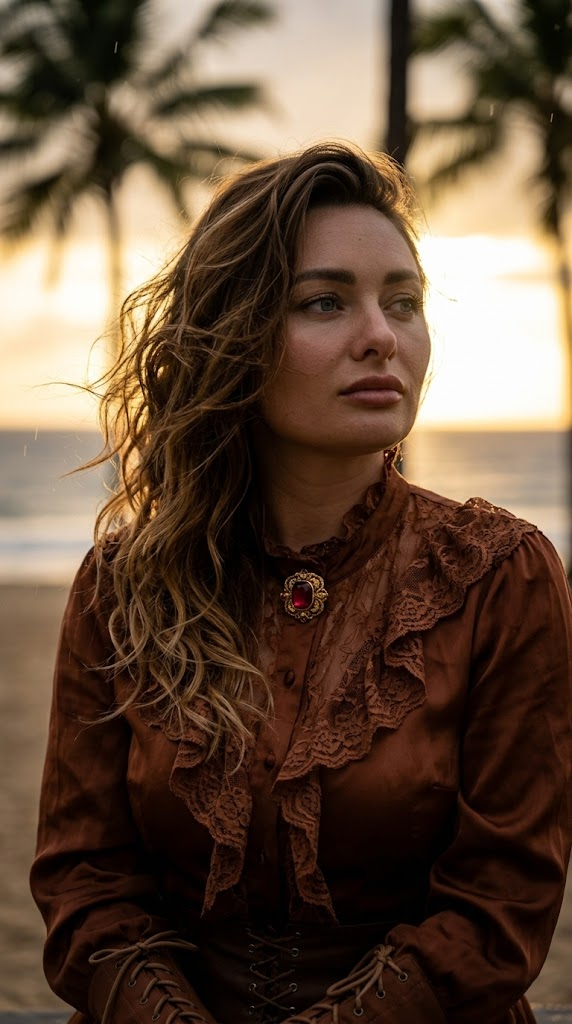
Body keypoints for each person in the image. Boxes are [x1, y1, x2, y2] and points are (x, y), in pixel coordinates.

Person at [31, 141, 572, 1024]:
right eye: (325, 302)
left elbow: (500, 906)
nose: (381, 336)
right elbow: (84, 882)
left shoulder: (496, 576)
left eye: (405, 303)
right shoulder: (123, 586)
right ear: (235, 334)